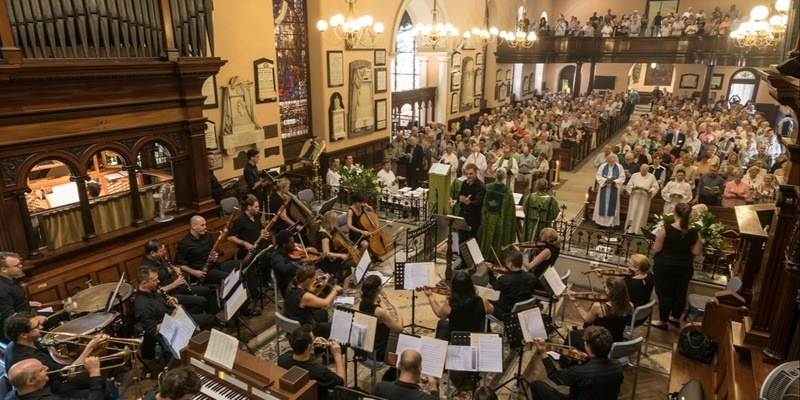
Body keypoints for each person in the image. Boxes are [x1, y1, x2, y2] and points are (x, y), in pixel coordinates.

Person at [3, 312, 108, 398]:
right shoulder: (30, 359)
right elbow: (68, 372)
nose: (41, 327)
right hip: (52, 390)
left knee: (102, 379)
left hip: (53, 381)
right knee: (101, 390)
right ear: (24, 334)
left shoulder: (15, 344)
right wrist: (90, 347)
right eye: (36, 326)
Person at [529, 326, 623, 400]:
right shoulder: (618, 365)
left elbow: (554, 376)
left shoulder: (580, 371)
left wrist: (543, 353)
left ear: (588, 347)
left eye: (585, 342)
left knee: (536, 385)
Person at [650, 203, 702, 330]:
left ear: (674, 213)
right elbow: (696, 252)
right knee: (680, 293)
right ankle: (675, 318)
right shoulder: (695, 232)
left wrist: (653, 243)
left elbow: (657, 249)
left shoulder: (666, 229)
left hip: (664, 266)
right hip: (684, 266)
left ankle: (662, 321)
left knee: (664, 294)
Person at [134, 267, 218, 341]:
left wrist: (170, 301)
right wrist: (172, 317)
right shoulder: (143, 305)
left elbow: (160, 304)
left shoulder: (151, 290)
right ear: (144, 283)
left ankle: (201, 334)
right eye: (155, 280)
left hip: (176, 317)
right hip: (171, 329)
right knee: (208, 322)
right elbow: (152, 331)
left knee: (206, 311)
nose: (158, 281)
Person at [140, 239, 214, 315]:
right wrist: (175, 284)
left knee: (205, 290)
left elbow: (164, 275)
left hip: (175, 288)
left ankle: (215, 315)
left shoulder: (158, 259)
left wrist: (172, 271)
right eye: (161, 251)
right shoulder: (147, 270)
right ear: (152, 253)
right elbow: (155, 293)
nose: (165, 252)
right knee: (201, 301)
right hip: (168, 296)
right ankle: (187, 319)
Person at [226, 194, 270, 315]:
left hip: (259, 246)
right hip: (247, 251)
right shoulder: (240, 221)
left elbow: (260, 229)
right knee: (249, 268)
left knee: (273, 254)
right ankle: (254, 292)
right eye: (256, 207)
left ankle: (266, 281)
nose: (258, 208)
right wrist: (244, 243)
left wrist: (263, 233)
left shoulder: (256, 217)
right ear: (249, 207)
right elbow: (230, 237)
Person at [566, 277, 633, 353]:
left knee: (572, 335)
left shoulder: (598, 307)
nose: (604, 289)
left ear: (611, 291)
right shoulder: (630, 306)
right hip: (617, 341)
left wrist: (575, 302)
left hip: (599, 343)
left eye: (606, 287)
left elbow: (587, 319)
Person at [278, 325, 345, 400]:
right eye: (313, 339)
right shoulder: (319, 371)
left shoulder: (282, 359)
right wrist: (337, 355)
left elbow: (294, 350)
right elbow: (341, 383)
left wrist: (312, 342)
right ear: (309, 346)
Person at [424, 270, 493, 341]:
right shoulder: (482, 301)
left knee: (441, 324)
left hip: (455, 338)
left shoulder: (449, 303)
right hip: (475, 338)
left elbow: (440, 314)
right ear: (471, 285)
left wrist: (430, 297)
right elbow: (491, 310)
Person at [359, 274, 404, 382]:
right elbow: (399, 327)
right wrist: (399, 312)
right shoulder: (379, 312)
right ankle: (390, 379)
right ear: (379, 289)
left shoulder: (362, 304)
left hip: (368, 344)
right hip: (380, 350)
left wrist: (378, 303)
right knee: (405, 349)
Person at [283, 264, 343, 338]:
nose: (315, 279)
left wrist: (323, 284)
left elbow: (313, 296)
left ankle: (321, 337)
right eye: (314, 277)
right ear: (308, 280)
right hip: (302, 327)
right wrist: (335, 290)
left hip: (291, 319)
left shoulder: (293, 283)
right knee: (333, 329)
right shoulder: (303, 296)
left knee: (323, 313)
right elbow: (325, 303)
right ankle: (319, 340)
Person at [7, 356, 105, 400]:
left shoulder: (12, 395)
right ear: (30, 381)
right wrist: (95, 372)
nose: (47, 368)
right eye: (41, 370)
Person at [174, 215, 234, 285]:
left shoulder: (206, 236)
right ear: (193, 226)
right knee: (230, 278)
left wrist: (215, 255)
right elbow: (178, 264)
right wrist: (194, 272)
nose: (205, 227)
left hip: (215, 265)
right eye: (202, 225)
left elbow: (212, 251)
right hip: (202, 273)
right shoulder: (185, 243)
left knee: (240, 266)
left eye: (205, 224)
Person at [0, 252, 42, 342]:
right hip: (21, 330)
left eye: (20, 264)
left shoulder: (8, 278)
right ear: (3, 269)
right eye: (17, 265)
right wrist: (34, 321)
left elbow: (10, 301)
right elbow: (11, 317)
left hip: (27, 318)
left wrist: (27, 302)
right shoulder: (2, 290)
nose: (21, 267)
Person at [476, 168, 516, 263]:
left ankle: (483, 255)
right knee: (497, 238)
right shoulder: (507, 191)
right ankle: (496, 258)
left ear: (495, 175)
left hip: (487, 219)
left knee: (486, 236)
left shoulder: (487, 187)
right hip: (499, 221)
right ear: (505, 177)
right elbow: (510, 210)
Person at [373, 349, 439, 400]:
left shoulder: (381, 387)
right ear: (420, 369)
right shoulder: (426, 398)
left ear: (399, 365)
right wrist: (434, 390)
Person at [489, 250, 536, 319]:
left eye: (507, 262)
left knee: (483, 303)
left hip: (507, 313)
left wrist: (489, 273)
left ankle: (485, 328)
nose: (506, 263)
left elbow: (495, 286)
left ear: (511, 264)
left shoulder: (505, 279)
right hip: (522, 311)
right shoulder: (531, 277)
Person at [317, 211, 355, 292]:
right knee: (351, 264)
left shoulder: (326, 228)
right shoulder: (324, 236)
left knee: (348, 260)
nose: (335, 223)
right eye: (334, 221)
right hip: (326, 262)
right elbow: (326, 253)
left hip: (331, 258)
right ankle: (345, 288)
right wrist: (340, 255)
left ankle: (341, 279)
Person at [449, 163, 486, 246]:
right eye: (467, 174)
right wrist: (456, 201)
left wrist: (468, 202)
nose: (468, 176)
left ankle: (471, 259)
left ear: (476, 173)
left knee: (471, 241)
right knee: (461, 239)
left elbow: (478, 202)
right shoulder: (465, 183)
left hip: (473, 217)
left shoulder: (481, 187)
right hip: (463, 215)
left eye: (471, 174)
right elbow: (461, 195)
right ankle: (462, 258)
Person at [625, 163, 659, 235]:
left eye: (645, 171)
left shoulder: (652, 177)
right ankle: (630, 229)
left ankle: (639, 230)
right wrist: (633, 188)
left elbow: (655, 187)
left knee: (642, 213)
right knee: (632, 212)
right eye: (642, 170)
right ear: (640, 169)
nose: (643, 172)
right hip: (635, 197)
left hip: (644, 198)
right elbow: (629, 185)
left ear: (648, 170)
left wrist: (650, 191)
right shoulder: (635, 175)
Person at [522, 179, 560, 243]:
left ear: (536, 186)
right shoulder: (551, 200)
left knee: (529, 243)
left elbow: (525, 210)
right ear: (546, 187)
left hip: (530, 226)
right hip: (544, 228)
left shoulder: (529, 197)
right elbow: (555, 214)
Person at [592, 154, 625, 228]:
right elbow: (598, 176)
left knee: (612, 206)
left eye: (612, 160)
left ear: (615, 160)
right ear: (607, 160)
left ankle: (611, 224)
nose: (611, 162)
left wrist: (614, 181)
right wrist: (605, 180)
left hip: (614, 188)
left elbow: (622, 177)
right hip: (604, 188)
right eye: (609, 160)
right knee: (602, 205)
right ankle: (601, 223)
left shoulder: (619, 167)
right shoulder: (603, 166)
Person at [270, 230, 300, 297]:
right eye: (292, 242)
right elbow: (284, 269)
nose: (294, 244)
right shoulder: (276, 256)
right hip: (289, 289)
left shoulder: (289, 252)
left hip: (299, 283)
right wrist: (301, 262)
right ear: (284, 244)